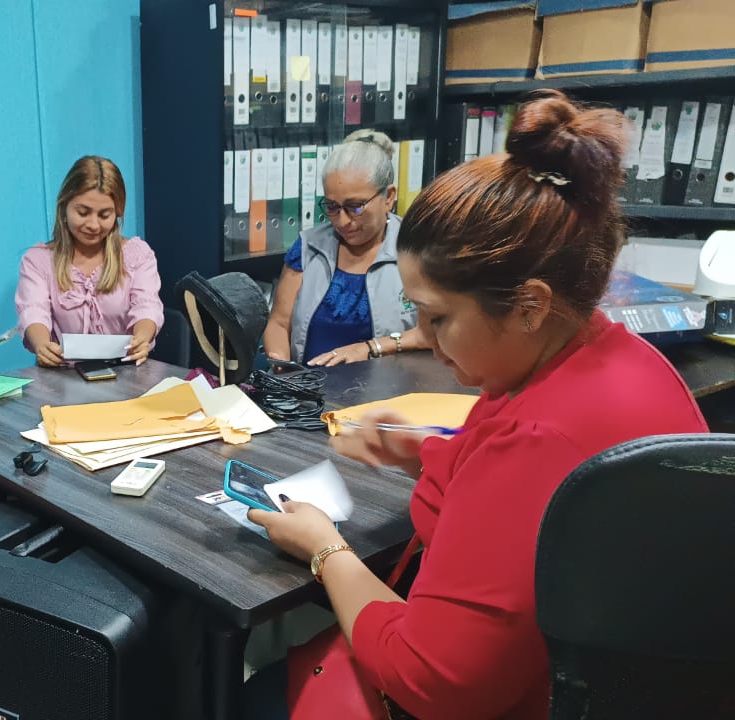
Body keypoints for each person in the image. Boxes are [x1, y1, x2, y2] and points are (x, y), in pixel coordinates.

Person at [244, 91, 709, 719]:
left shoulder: (539, 437)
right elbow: (514, 496)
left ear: (530, 306)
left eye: (437, 318)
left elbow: (430, 681)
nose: (426, 341)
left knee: (251, 696)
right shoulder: (620, 357)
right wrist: (424, 454)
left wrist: (326, 549)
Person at [262, 129, 428, 367]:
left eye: (355, 207)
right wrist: (281, 364)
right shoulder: (309, 247)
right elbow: (279, 323)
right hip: (312, 386)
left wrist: (371, 348)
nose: (342, 221)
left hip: (392, 386)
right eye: (332, 207)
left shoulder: (419, 249)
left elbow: (434, 333)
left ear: (389, 197)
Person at [15, 155, 164, 367]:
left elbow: (147, 306)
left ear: (117, 213)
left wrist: (142, 339)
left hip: (126, 370)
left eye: (104, 215)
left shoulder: (138, 255)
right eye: (83, 213)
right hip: (62, 375)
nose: (93, 225)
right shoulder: (38, 260)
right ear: (64, 206)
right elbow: (33, 311)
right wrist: (42, 346)